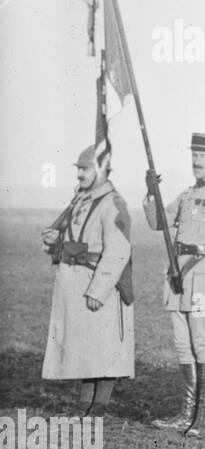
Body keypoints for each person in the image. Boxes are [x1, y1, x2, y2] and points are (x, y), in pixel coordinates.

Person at [143, 132, 205, 437]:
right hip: (179, 278)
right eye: (194, 155)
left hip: (204, 280)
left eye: (204, 156)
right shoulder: (186, 194)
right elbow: (159, 221)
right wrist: (151, 192)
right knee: (184, 346)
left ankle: (203, 418)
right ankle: (187, 414)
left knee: (203, 344)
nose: (197, 161)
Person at [41, 145, 134, 414]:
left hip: (99, 283)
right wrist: (54, 242)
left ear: (102, 170)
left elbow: (118, 250)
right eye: (78, 169)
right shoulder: (80, 200)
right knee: (85, 344)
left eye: (85, 169)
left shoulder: (113, 203)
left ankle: (99, 406)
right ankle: (85, 403)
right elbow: (77, 239)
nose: (79, 174)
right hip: (76, 281)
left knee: (104, 347)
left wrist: (99, 290)